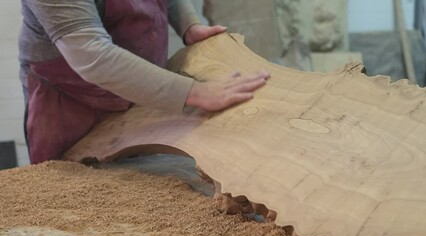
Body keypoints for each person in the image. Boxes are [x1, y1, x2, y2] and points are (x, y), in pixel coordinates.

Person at [19, 0, 270, 164]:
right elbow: (93, 55)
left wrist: (189, 24)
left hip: (140, 92)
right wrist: (196, 92)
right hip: (71, 101)